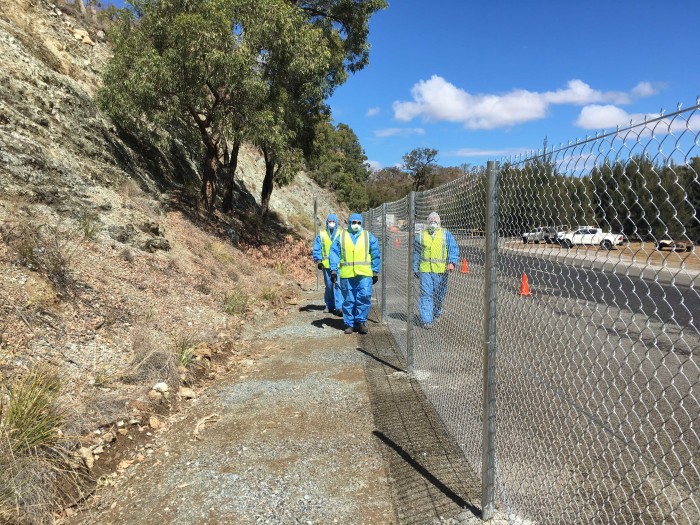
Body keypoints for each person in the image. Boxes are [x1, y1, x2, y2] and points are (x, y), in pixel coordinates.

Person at [329, 213, 381, 334]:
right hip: (347, 274)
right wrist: (333, 270)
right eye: (354, 222)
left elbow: (375, 253)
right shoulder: (342, 236)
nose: (356, 225)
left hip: (364, 274)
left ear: (361, 223)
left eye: (358, 223)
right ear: (349, 223)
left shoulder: (368, 236)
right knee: (348, 299)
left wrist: (375, 271)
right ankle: (349, 324)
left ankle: (360, 322)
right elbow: (334, 253)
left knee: (364, 296)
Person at [414, 211, 459, 329]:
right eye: (431, 221)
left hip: (441, 270)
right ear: (427, 222)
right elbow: (416, 253)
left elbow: (453, 248)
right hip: (425, 270)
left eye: (436, 221)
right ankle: (427, 319)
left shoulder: (446, 234)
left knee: (439, 294)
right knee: (426, 294)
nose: (433, 223)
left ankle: (437, 311)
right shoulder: (421, 235)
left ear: (439, 223)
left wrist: (452, 262)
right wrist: (415, 268)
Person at [312, 213, 343, 315]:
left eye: (333, 222)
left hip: (338, 265)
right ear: (327, 223)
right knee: (329, 286)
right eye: (330, 222)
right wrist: (319, 261)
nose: (331, 223)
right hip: (326, 265)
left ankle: (339, 307)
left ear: (336, 223)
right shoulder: (321, 235)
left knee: (338, 285)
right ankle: (329, 305)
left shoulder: (341, 233)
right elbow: (317, 248)